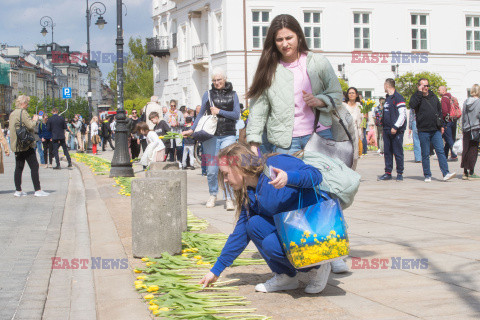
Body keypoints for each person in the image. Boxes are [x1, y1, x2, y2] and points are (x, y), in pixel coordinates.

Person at [199, 143, 332, 294]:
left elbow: (316, 175)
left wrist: (289, 178)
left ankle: (319, 266)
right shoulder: (249, 194)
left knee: (270, 242)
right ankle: (286, 277)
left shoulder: (274, 165)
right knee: (254, 224)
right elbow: (240, 234)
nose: (225, 180)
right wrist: (216, 271)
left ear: (238, 167)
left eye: (225, 173)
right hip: (292, 231)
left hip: (314, 228)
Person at [245, 14, 343, 155]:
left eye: (289, 38)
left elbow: (337, 94)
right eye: (279, 40)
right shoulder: (267, 69)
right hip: (284, 141)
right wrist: (253, 142)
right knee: (285, 178)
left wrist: (320, 101)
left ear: (299, 36)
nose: (285, 44)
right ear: (273, 42)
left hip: (319, 135)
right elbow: (258, 109)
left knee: (323, 177)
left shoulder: (318, 62)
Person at [183, 68, 240, 210]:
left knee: (227, 167)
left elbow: (236, 115)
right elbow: (201, 113)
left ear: (225, 79)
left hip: (228, 134)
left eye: (219, 80)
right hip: (211, 136)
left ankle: (229, 198)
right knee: (212, 169)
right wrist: (192, 129)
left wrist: (219, 111)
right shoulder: (207, 94)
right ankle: (213, 194)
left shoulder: (233, 94)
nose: (216, 83)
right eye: (214, 80)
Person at [409, 78, 456, 182]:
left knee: (440, 151)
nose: (426, 88)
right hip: (423, 129)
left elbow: (439, 111)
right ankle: (427, 175)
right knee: (425, 153)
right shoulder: (416, 96)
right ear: (419, 86)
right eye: (423, 86)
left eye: (427, 86)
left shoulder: (433, 96)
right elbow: (412, 105)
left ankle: (446, 173)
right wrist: (419, 93)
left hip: (435, 129)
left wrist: (442, 125)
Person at [8, 95, 49, 197]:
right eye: (27, 103)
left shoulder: (12, 113)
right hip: (26, 144)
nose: (27, 105)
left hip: (17, 145)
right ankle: (38, 190)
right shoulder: (23, 112)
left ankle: (18, 190)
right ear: (23, 103)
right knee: (34, 166)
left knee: (18, 167)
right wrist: (35, 119)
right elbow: (30, 125)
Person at [378, 78, 407, 181]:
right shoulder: (388, 98)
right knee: (387, 152)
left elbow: (403, 114)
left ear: (387, 85)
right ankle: (388, 172)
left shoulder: (398, 97)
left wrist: (395, 126)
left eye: (384, 85)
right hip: (386, 130)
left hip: (396, 131)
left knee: (398, 152)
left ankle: (399, 173)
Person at [461, 84, 480, 180]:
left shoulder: (466, 102)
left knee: (466, 149)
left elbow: (463, 115)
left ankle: (465, 172)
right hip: (476, 128)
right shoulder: (479, 102)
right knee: (473, 150)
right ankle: (471, 172)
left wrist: (463, 127)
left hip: (466, 128)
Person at [439, 86, 458, 161]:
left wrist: (443, 122)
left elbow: (444, 111)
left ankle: (454, 155)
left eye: (439, 90)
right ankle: (445, 155)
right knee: (448, 138)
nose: (438, 91)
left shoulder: (444, 98)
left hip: (448, 121)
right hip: (454, 120)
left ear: (443, 91)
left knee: (449, 139)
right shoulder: (452, 97)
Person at [343, 87, 363, 156]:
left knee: (355, 154)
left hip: (355, 131)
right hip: (345, 131)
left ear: (356, 95)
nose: (351, 95)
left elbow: (361, 120)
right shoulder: (343, 106)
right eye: (349, 93)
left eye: (353, 93)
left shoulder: (359, 106)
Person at [164, 99, 185, 165]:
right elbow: (165, 123)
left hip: (178, 131)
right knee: (172, 148)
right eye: (171, 106)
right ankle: (172, 161)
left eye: (174, 106)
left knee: (179, 147)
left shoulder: (179, 113)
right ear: (170, 106)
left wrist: (178, 124)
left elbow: (183, 122)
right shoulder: (167, 114)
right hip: (171, 132)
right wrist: (171, 124)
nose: (173, 107)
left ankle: (179, 161)